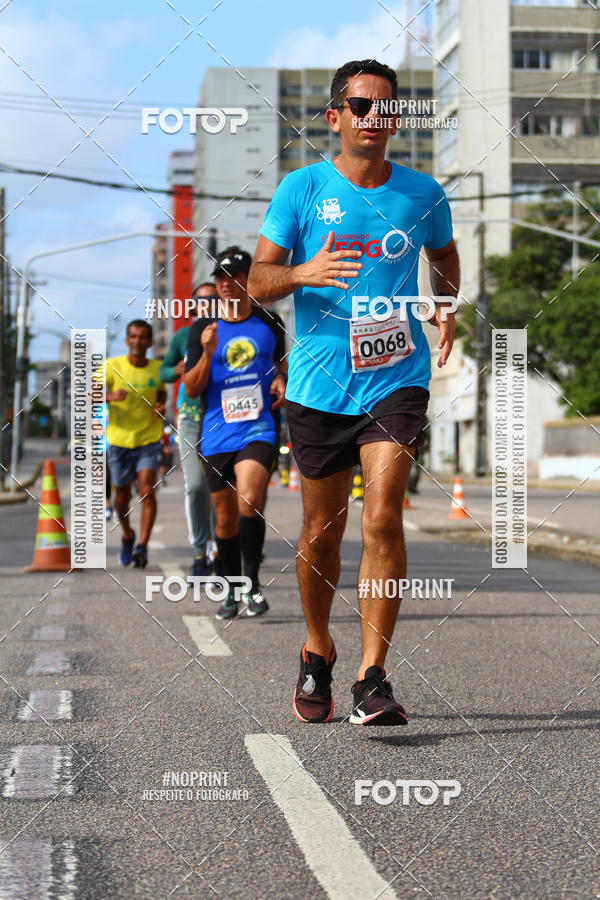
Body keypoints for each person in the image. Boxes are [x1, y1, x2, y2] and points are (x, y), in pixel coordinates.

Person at [248, 59, 459, 725]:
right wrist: (304, 270)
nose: (375, 118)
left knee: (383, 514)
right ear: (336, 117)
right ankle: (317, 648)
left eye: (385, 107)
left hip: (396, 376)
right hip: (318, 383)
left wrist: (445, 303)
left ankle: (373, 674)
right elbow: (257, 281)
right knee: (322, 527)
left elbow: (446, 255)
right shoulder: (303, 188)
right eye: (361, 107)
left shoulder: (424, 194)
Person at [184, 247, 287, 620]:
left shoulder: (269, 321)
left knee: (250, 500)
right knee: (225, 520)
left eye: (235, 276)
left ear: (248, 280)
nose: (227, 284)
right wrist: (209, 352)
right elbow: (192, 387)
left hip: (258, 427)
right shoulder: (203, 329)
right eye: (221, 278)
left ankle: (251, 584)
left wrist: (280, 379)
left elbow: (282, 365)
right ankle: (229, 590)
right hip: (216, 433)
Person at [159, 283, 218, 582]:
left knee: (223, 488)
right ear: (193, 306)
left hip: (222, 417)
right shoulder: (183, 336)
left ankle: (221, 547)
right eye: (202, 300)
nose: (208, 304)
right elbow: (163, 372)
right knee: (195, 485)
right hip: (192, 417)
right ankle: (199, 550)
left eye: (214, 299)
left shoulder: (229, 329)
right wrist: (180, 368)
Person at [102, 320, 167, 568]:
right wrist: (109, 396)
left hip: (148, 439)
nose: (138, 341)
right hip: (119, 441)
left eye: (143, 337)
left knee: (147, 489)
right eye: (133, 337)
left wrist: (161, 405)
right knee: (121, 497)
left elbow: (161, 392)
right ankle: (128, 535)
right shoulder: (112, 366)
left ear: (150, 342)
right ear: (127, 340)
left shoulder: (157, 369)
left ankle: (142, 546)